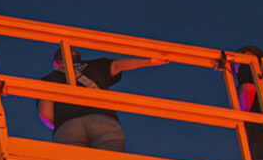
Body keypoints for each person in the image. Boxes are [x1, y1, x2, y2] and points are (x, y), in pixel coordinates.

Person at [37, 51, 167, 150]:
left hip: (69, 125)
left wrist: (61, 125)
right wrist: (149, 60)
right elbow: (117, 65)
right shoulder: (94, 65)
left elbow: (46, 114)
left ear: (56, 63)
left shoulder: (49, 79)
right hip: (103, 120)